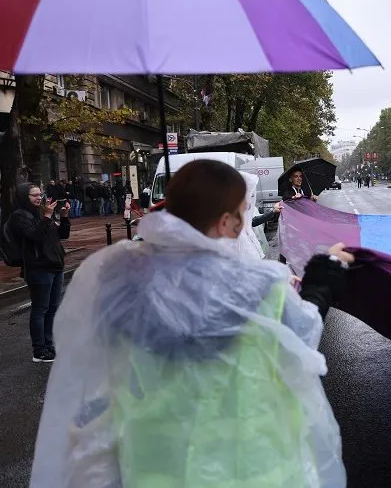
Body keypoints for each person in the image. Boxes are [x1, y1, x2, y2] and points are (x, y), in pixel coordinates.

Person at [30, 159, 352, 488]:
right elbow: (301, 334)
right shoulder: (255, 284)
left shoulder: (118, 275)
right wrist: (324, 274)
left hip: (154, 462)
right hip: (244, 464)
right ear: (227, 220)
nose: (244, 219)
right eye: (242, 209)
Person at [7, 184, 71, 362]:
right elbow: (34, 236)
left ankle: (49, 345)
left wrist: (64, 218)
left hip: (55, 265)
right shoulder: (19, 216)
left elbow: (62, 235)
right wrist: (47, 217)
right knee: (40, 309)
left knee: (52, 308)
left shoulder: (41, 213)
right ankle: (39, 350)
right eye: (33, 195)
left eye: (39, 194)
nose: (38, 197)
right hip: (38, 268)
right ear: (23, 197)